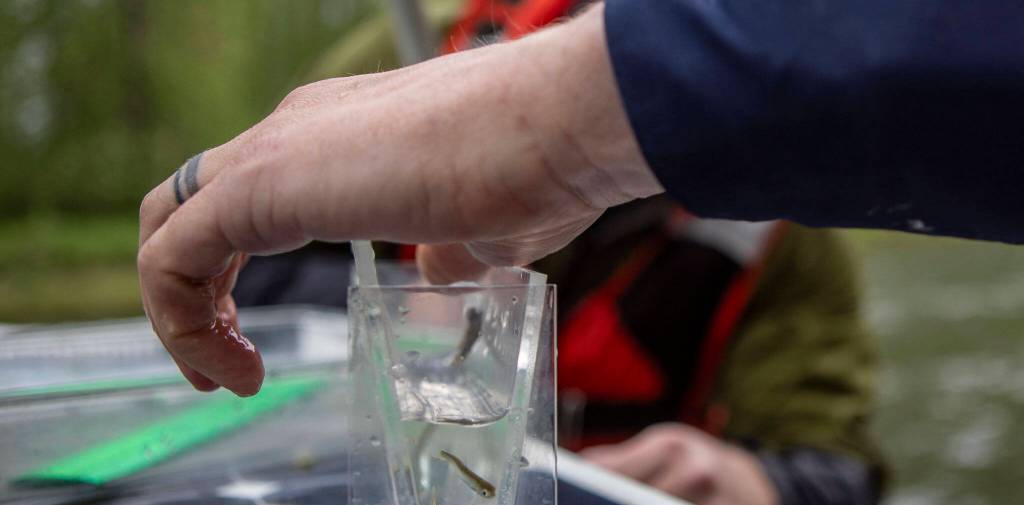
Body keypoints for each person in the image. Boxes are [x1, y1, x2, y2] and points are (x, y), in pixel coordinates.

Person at [227, 1, 884, 505]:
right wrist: (394, 310)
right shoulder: (402, 58)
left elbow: (840, 481)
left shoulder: (781, 205)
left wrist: (755, 489)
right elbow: (243, 276)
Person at [137, 1, 1024, 401]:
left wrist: (769, 492)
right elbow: (265, 286)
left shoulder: (786, 231)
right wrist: (402, 332)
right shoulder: (390, 54)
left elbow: (831, 460)